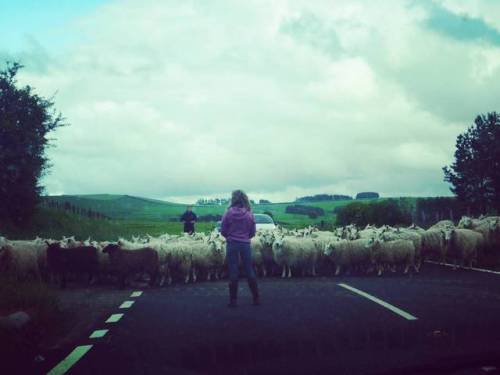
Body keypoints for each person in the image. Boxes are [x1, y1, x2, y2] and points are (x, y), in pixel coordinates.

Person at [220, 190, 260, 307]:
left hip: (232, 244)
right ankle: (256, 298)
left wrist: (230, 236)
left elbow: (223, 230)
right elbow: (253, 232)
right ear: (244, 199)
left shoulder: (228, 213)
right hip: (245, 244)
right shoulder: (249, 214)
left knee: (233, 270)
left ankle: (233, 301)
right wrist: (245, 237)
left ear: (233, 199)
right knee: (249, 269)